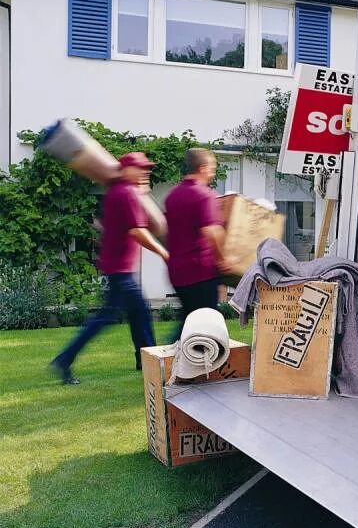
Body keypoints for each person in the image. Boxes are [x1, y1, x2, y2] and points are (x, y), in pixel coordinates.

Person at [51, 152, 169, 384]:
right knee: (108, 317)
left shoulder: (119, 191)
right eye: (141, 168)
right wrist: (163, 252)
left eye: (147, 168)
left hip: (118, 266)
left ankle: (144, 361)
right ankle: (65, 360)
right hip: (120, 269)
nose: (145, 172)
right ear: (126, 170)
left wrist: (141, 194)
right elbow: (137, 231)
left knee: (139, 314)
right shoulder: (126, 193)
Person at [165, 148, 227, 341]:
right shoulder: (204, 195)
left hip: (177, 271)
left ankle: (168, 360)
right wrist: (223, 259)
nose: (213, 172)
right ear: (202, 168)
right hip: (200, 270)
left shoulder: (172, 196)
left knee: (189, 320)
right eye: (212, 168)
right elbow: (211, 231)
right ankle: (168, 360)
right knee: (205, 325)